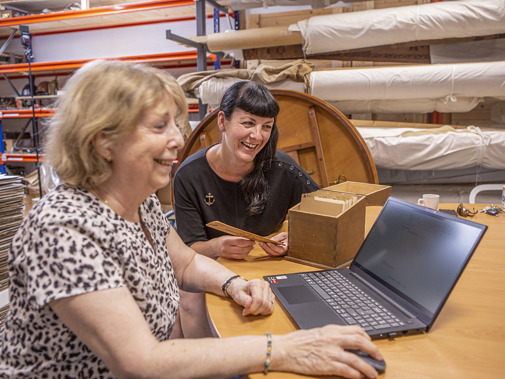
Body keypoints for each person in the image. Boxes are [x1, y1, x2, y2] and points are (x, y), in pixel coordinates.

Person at [0, 60, 383, 378]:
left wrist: (233, 283)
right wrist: (281, 350)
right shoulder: (62, 230)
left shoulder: (139, 202)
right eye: (158, 126)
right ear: (102, 140)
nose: (177, 140)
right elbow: (141, 362)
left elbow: (183, 260)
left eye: (175, 124)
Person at [174, 80, 320, 260]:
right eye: (248, 123)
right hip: (214, 272)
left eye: (266, 126)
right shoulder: (189, 176)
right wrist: (216, 247)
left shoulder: (284, 168)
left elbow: (325, 215)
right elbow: (188, 247)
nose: (257, 136)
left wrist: (294, 238)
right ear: (222, 121)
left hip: (270, 268)